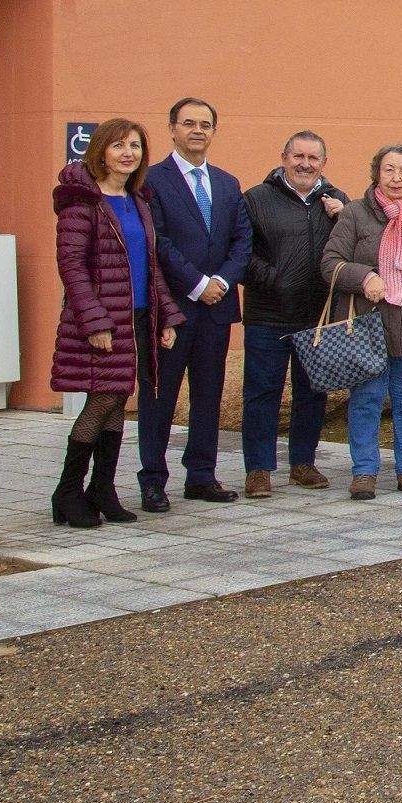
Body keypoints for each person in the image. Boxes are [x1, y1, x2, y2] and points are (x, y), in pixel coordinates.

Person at [50, 120, 183, 527]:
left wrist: (167, 315)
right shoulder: (83, 203)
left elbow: (150, 265)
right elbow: (71, 267)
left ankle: (102, 490)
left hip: (139, 318)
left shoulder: (137, 199)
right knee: (104, 400)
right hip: (103, 320)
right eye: (119, 146)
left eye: (136, 146)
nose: (128, 153)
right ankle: (67, 493)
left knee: (117, 399)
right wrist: (95, 322)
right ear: (100, 151)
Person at [140, 97, 252, 510]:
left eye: (205, 124)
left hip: (217, 307)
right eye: (189, 123)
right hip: (173, 308)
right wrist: (198, 283)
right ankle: (152, 479)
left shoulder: (226, 183)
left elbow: (242, 240)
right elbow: (159, 242)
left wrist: (221, 280)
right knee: (160, 396)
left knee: (209, 393)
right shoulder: (151, 180)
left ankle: (201, 475)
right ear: (172, 129)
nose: (197, 130)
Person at [322, 144, 402, 499]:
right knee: (367, 397)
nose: (396, 178)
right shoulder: (356, 214)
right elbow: (330, 261)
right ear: (376, 173)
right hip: (368, 320)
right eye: (389, 170)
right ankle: (364, 472)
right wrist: (363, 277)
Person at [239, 131, 348, 498]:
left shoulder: (337, 201)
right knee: (262, 392)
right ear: (283, 157)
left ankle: (303, 462)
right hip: (267, 314)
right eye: (298, 156)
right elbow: (242, 253)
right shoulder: (256, 199)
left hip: (317, 318)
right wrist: (274, 279)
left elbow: (353, 249)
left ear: (324, 163)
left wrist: (344, 217)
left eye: (313, 158)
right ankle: (258, 468)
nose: (305, 164)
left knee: (312, 393)